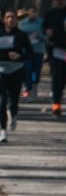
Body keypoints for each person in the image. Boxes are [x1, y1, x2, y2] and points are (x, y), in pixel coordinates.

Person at [0, 10, 34, 142]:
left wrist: (20, 56)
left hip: (16, 70)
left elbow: (31, 54)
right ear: (3, 19)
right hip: (1, 69)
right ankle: (3, 131)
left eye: (13, 17)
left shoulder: (21, 35)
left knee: (13, 101)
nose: (11, 19)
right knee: (2, 101)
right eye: (8, 17)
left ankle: (13, 114)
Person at [17, 8, 44, 100]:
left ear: (36, 13)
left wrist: (39, 36)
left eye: (34, 12)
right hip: (27, 51)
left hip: (38, 50)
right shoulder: (22, 24)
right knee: (28, 70)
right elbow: (19, 37)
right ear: (28, 13)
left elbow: (46, 36)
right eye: (31, 12)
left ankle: (34, 88)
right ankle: (28, 90)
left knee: (36, 71)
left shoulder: (41, 22)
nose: (33, 14)